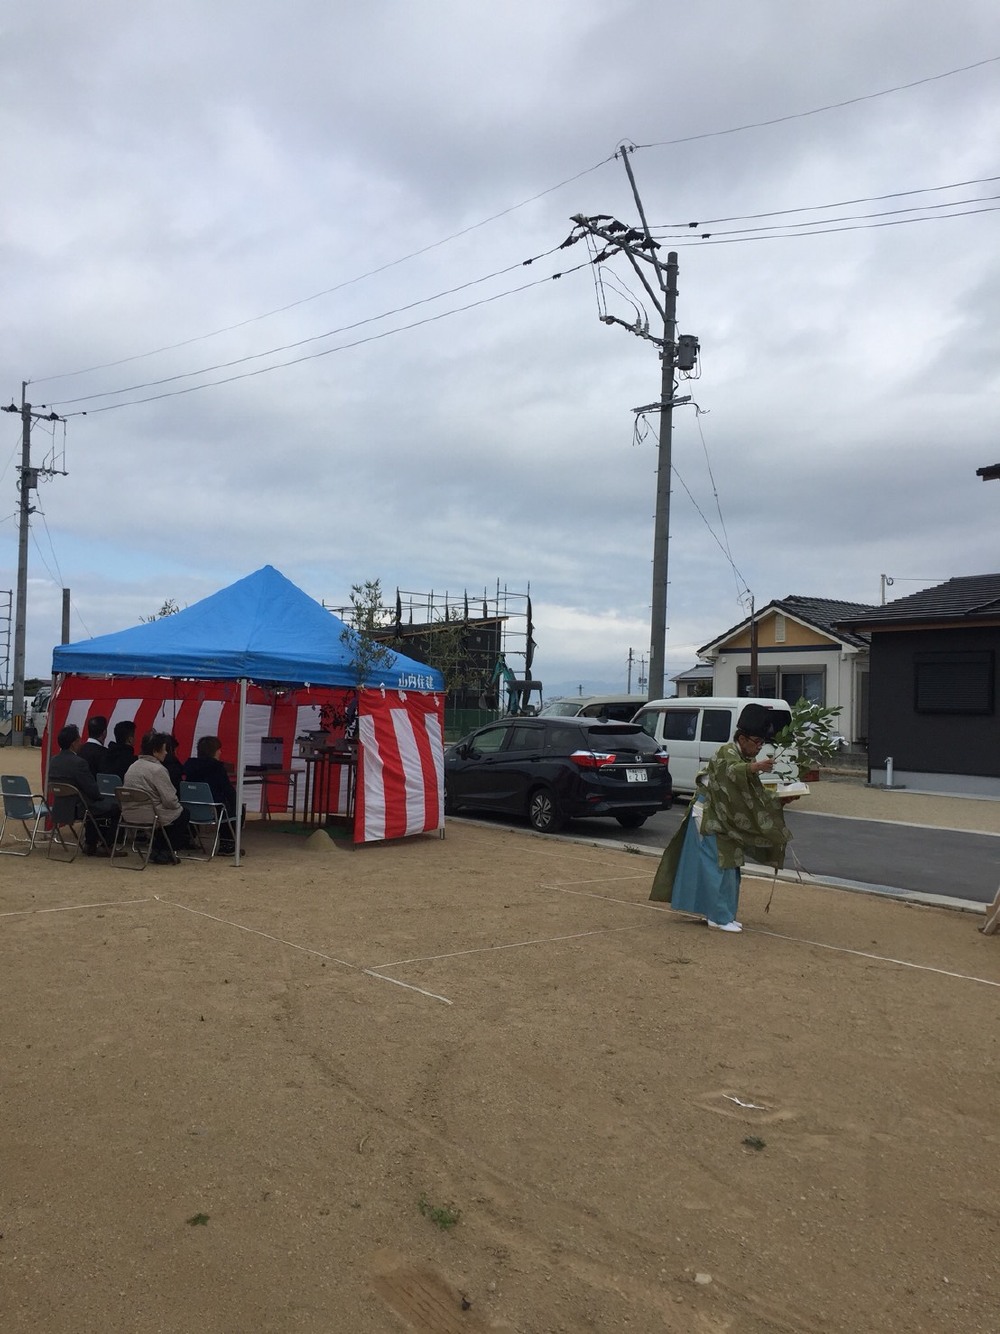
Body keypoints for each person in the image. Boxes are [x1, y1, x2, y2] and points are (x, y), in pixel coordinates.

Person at [649, 703, 797, 934]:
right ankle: (717, 916)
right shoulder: (726, 752)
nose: (759, 747)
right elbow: (731, 771)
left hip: (723, 818)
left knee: (730, 867)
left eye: (761, 743)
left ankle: (724, 913)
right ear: (743, 737)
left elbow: (753, 792)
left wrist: (778, 799)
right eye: (757, 742)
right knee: (717, 867)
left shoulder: (741, 757)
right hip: (709, 817)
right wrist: (755, 767)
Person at [47, 723, 120, 855]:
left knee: (93, 806)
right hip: (78, 808)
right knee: (114, 808)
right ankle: (105, 845)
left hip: (60, 807)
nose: (81, 743)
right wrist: (100, 796)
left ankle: (90, 844)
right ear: (74, 743)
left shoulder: (53, 760)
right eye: (79, 740)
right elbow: (92, 790)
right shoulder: (79, 763)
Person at [123, 730, 193, 863]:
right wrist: (177, 806)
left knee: (164, 814)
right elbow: (170, 800)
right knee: (182, 813)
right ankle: (166, 851)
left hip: (130, 813)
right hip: (151, 815)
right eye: (164, 750)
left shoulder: (132, 767)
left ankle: (156, 850)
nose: (166, 753)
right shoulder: (157, 770)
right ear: (155, 751)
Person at [184, 735, 241, 855]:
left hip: (192, 810)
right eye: (219, 749)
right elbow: (227, 790)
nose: (220, 752)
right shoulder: (217, 768)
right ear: (214, 751)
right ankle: (228, 844)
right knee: (235, 807)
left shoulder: (189, 767)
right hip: (213, 810)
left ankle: (190, 838)